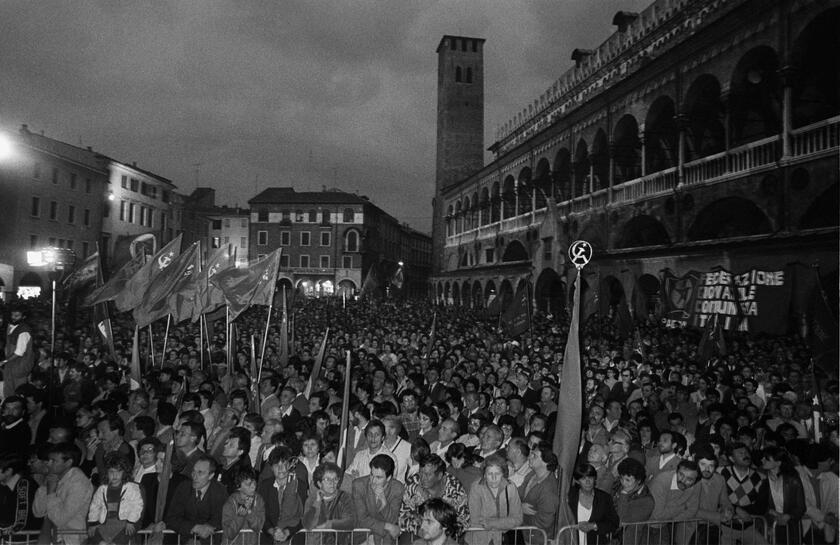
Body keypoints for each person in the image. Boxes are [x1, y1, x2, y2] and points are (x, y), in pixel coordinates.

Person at [32, 443, 94, 545]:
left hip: (70, 539)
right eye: (49, 460)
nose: (48, 464)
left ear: (68, 462)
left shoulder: (79, 483)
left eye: (54, 461)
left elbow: (60, 519)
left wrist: (51, 493)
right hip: (50, 535)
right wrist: (44, 487)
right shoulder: (53, 477)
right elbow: (38, 512)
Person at [399, 454, 469, 538]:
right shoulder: (411, 485)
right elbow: (401, 518)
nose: (422, 478)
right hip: (418, 533)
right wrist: (420, 532)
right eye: (420, 473)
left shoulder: (454, 488)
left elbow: (464, 521)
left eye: (428, 475)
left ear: (439, 476)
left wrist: (442, 535)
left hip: (446, 536)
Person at [164, 454, 228, 544]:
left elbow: (221, 519)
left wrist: (207, 528)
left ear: (211, 476)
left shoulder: (220, 491)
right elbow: (172, 518)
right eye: (193, 471)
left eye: (200, 472)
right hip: (183, 540)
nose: (194, 476)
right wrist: (194, 527)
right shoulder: (183, 488)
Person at [86, 452, 143, 545]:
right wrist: (93, 522)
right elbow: (95, 506)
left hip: (124, 521)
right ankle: (102, 543)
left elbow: (137, 505)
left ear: (124, 472)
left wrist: (131, 521)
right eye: (111, 472)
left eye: (119, 471)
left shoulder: (131, 488)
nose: (115, 475)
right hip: (105, 521)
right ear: (106, 473)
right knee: (93, 532)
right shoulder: (102, 489)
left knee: (128, 531)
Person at [466, 454, 522, 545]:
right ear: (484, 475)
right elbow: (476, 520)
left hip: (502, 539)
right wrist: (505, 523)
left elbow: (517, 519)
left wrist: (492, 523)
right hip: (478, 539)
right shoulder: (476, 487)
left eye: (497, 473)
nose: (494, 478)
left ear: (503, 474)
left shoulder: (511, 487)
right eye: (489, 474)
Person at [352, 454, 405, 545]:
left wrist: (384, 502)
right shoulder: (358, 485)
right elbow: (362, 519)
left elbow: (392, 520)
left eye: (379, 478)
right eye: (372, 475)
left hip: (385, 538)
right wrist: (387, 526)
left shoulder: (397, 488)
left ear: (389, 478)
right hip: (362, 535)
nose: (373, 481)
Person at [648, 459, 701, 545]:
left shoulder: (696, 486)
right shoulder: (662, 481)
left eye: (689, 479)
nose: (683, 480)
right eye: (681, 474)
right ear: (676, 471)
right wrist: (683, 507)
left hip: (663, 525)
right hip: (644, 525)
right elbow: (657, 515)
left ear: (695, 481)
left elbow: (692, 510)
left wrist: (671, 519)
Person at [761, 446, 806, 545]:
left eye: (767, 458)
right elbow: (758, 504)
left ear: (778, 462)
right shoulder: (761, 478)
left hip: (790, 527)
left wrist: (788, 516)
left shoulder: (792, 479)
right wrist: (771, 512)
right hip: (767, 526)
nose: (762, 460)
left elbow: (800, 506)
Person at [258, 446, 303, 543]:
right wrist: (272, 531)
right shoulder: (264, 486)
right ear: (271, 468)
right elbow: (260, 515)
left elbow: (303, 515)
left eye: (284, 464)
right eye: (276, 465)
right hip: (270, 538)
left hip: (294, 537)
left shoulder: (300, 485)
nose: (280, 468)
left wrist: (286, 532)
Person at [568, 463, 619, 545]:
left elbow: (614, 522)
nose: (588, 482)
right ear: (577, 481)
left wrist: (594, 526)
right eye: (583, 478)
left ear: (595, 479)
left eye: (590, 478)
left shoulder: (604, 498)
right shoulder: (569, 496)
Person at [519, 443, 559, 544]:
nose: (529, 457)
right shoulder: (532, 475)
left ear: (546, 462)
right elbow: (517, 495)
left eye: (534, 456)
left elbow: (544, 521)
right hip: (525, 535)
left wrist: (519, 513)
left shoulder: (548, 488)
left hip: (538, 539)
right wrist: (519, 507)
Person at [302, 462, 353, 542]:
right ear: (319, 483)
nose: (332, 483)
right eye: (327, 479)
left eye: (335, 479)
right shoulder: (312, 499)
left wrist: (328, 525)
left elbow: (350, 521)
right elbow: (308, 524)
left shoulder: (345, 497)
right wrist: (317, 502)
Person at [612, 458, 654, 545]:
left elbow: (621, 519)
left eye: (628, 480)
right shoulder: (617, 485)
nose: (623, 483)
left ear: (638, 480)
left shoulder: (647, 501)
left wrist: (623, 494)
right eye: (621, 478)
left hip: (629, 540)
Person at [0, 454, 42, 539]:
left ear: (8, 471)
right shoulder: (4, 485)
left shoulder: (24, 484)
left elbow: (21, 522)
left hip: (24, 536)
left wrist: (3, 531)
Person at [221, 467, 265, 545]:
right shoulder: (231, 503)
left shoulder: (258, 500)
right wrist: (240, 516)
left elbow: (259, 526)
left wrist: (249, 513)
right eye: (248, 484)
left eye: (254, 483)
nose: (253, 487)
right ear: (239, 486)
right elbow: (229, 533)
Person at [1, 307, 34, 398]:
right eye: (12, 315)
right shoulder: (12, 326)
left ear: (23, 317)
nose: (13, 317)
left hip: (20, 366)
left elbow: (19, 352)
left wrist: (4, 362)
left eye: (17, 316)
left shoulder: (24, 331)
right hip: (11, 365)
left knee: (18, 392)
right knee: (8, 391)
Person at [218, 427, 253, 495]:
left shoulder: (241, 472)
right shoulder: (221, 463)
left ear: (240, 452)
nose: (225, 446)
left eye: (231, 445)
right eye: (227, 443)